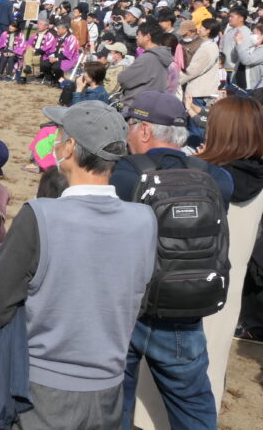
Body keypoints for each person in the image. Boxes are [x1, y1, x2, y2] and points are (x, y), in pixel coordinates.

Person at [0, 101, 157, 430]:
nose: (55, 143)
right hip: (110, 384)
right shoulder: (144, 219)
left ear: (71, 147)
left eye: (59, 136)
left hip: (41, 386)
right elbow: (141, 297)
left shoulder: (41, 215)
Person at [110, 91, 233, 428]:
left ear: (145, 130)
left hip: (126, 310)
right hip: (185, 310)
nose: (127, 134)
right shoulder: (217, 178)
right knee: (193, 407)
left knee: (114, 406)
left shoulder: (122, 175)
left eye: (130, 126)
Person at [198, 98, 263, 391]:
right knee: (212, 362)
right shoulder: (258, 181)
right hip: (230, 287)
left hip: (189, 281)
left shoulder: (203, 177)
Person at [118, 22, 171, 102]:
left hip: (138, 105)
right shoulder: (161, 55)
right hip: (152, 102)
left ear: (147, 37)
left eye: (138, 35)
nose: (136, 37)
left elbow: (123, 78)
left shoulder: (147, 58)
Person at [222, 6, 250, 88]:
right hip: (225, 69)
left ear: (241, 18)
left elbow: (245, 52)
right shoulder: (230, 30)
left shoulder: (245, 32)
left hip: (235, 71)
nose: (229, 19)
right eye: (229, 16)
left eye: (232, 16)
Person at [233, 21, 263, 91]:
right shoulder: (251, 47)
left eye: (254, 33)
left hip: (253, 88)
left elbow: (247, 60)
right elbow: (236, 58)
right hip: (238, 85)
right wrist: (238, 43)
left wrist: (240, 43)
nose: (252, 35)